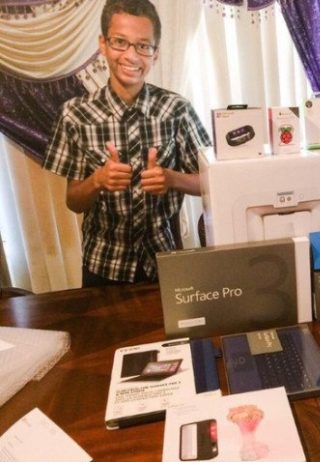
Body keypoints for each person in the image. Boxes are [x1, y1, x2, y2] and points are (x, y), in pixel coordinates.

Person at [43, 0, 210, 287]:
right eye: (120, 42)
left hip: (164, 260)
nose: (131, 55)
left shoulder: (176, 109)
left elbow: (211, 182)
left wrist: (171, 178)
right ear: (103, 44)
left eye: (143, 46)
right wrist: (97, 180)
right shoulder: (74, 114)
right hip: (103, 264)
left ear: (155, 53)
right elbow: (73, 201)